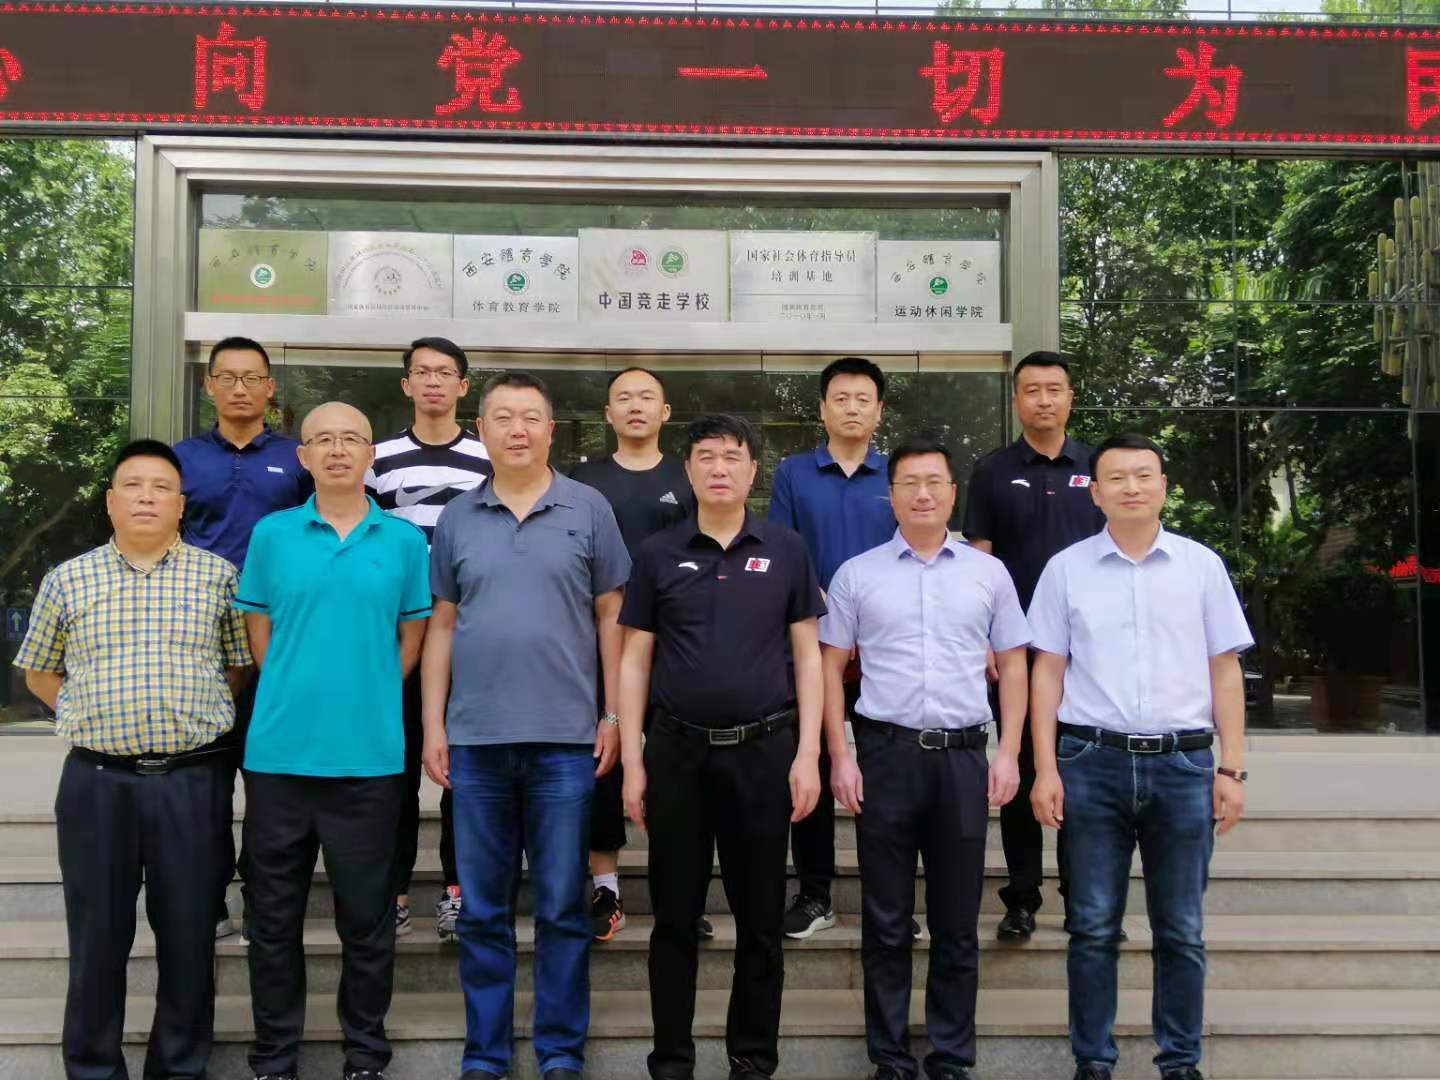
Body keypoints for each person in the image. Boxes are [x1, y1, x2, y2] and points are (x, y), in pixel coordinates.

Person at [13, 439, 251, 1080]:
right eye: (134, 486)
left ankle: (179, 1069)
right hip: (97, 783)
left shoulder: (218, 577)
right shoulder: (68, 579)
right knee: (97, 937)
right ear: (111, 501)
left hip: (190, 781)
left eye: (161, 487)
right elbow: (38, 671)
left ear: (181, 505)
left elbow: (236, 667)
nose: (147, 497)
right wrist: (85, 712)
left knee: (189, 936)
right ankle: (93, 1069)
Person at [422, 372, 630, 1080]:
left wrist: (611, 714)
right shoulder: (457, 517)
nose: (518, 429)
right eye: (503, 417)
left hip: (566, 743)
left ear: (550, 429)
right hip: (476, 743)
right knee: (482, 911)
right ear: (480, 429)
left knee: (563, 907)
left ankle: (560, 1053)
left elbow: (611, 616)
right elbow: (442, 624)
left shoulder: (589, 508)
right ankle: (485, 1055)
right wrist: (434, 724)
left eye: (531, 417)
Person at [1027, 433, 1253, 1080]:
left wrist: (1232, 768)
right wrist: (1045, 767)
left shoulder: (1201, 566)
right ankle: (1092, 1061)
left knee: (1180, 928)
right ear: (1095, 493)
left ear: (1163, 486)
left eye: (1144, 475)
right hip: (1090, 763)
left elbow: (1225, 670)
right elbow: (1047, 672)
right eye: (1117, 478)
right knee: (1092, 926)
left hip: (1184, 766)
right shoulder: (1065, 569)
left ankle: (1179, 1062)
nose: (1132, 487)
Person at [619, 413, 826, 1080]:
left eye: (732, 456)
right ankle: (671, 1061)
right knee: (674, 920)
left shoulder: (786, 550)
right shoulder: (657, 553)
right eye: (706, 456)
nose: (718, 468)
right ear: (688, 469)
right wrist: (632, 760)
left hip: (764, 754)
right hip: (676, 755)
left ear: (752, 470)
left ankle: (752, 1060)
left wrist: (808, 754)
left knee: (761, 922)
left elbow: (809, 657)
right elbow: (633, 660)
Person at [821, 437, 1031, 1080]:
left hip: (963, 759)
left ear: (951, 493)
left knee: (957, 920)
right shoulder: (857, 574)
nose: (922, 494)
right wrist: (840, 755)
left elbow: (1014, 665)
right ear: (890, 496)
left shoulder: (988, 573)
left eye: (934, 482)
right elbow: (829, 669)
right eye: (909, 483)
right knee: (885, 919)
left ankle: (950, 1055)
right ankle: (888, 1057)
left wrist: (1009, 753)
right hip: (883, 756)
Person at [236, 402, 432, 1080]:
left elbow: (412, 636)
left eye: (352, 438)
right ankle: (274, 1057)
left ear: (371, 454)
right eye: (323, 439)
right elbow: (260, 633)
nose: (338, 449)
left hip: (369, 760)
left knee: (367, 920)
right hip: (279, 758)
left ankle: (365, 1053)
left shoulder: (402, 541)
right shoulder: (272, 534)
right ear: (304, 456)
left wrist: (369, 688)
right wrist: (298, 685)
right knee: (272, 920)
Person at [961, 350, 1105, 941]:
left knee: (1079, 770)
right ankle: (1021, 896)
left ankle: (1081, 897)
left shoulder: (1098, 467)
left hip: (1087, 652)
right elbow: (979, 560)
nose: (1044, 399)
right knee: (1018, 767)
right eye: (1032, 390)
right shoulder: (993, 470)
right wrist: (982, 638)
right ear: (1016, 399)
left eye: (1054, 389)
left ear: (1070, 397)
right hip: (1015, 651)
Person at [173, 335, 312, 940]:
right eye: (226, 377)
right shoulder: (181, 460)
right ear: (208, 386)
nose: (239, 388)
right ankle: (209, 900)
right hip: (200, 640)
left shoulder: (297, 458)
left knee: (270, 781)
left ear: (269, 388)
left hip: (278, 639)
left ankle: (265, 902)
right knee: (205, 779)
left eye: (252, 377)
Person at [364, 336, 492, 943]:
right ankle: (391, 892)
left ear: (463, 386)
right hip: (396, 636)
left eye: (445, 373)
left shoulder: (490, 458)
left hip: (470, 635)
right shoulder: (379, 459)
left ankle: (457, 892)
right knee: (395, 766)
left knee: (461, 770)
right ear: (406, 384)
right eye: (422, 372)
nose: (433, 381)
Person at [768, 355, 896, 940]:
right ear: (822, 409)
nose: (851, 408)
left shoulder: (896, 475)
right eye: (840, 398)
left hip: (883, 650)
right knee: (813, 765)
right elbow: (783, 549)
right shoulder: (794, 474)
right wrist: (828, 609)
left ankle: (889, 899)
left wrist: (868, 620)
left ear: (878, 410)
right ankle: (815, 893)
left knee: (884, 773)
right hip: (812, 645)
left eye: (862, 399)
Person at [570, 365, 695, 942]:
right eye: (624, 397)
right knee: (604, 760)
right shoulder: (583, 479)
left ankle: (681, 897)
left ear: (665, 412)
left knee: (674, 767)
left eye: (647, 397)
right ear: (608, 413)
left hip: (675, 644)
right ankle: (606, 888)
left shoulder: (687, 476)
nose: (636, 405)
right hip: (600, 640)